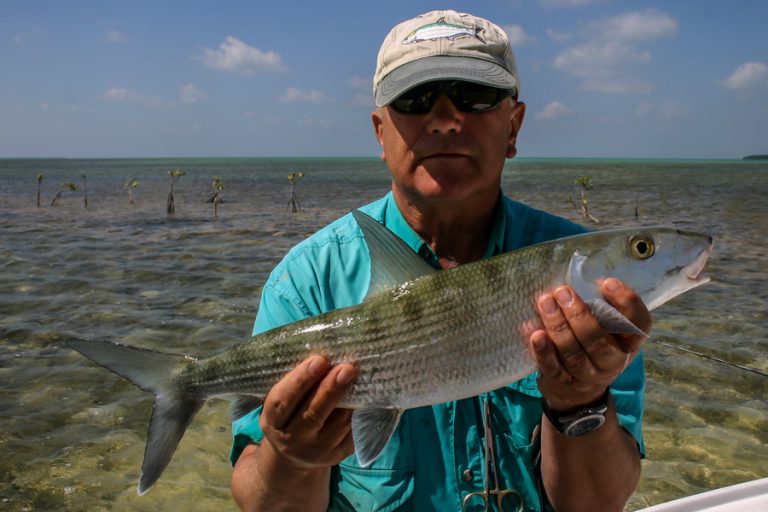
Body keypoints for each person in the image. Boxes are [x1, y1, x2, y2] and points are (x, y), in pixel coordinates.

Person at [230, 10, 649, 512]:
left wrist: (579, 402)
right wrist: (292, 458)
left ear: (513, 126)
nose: (446, 119)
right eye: (415, 98)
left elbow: (595, 505)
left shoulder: (585, 275)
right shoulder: (306, 281)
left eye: (473, 97)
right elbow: (259, 500)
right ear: (379, 132)